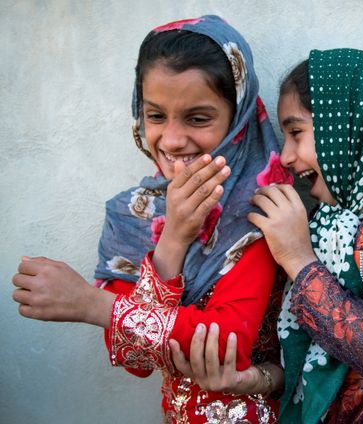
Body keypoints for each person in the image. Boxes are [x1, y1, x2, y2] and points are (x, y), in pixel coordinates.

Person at [11, 15, 292, 423]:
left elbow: (225, 345)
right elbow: (135, 360)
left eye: (198, 118)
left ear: (239, 119)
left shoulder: (263, 209)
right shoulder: (131, 216)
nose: (173, 140)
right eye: (156, 116)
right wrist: (174, 237)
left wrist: (94, 305)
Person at [176, 48, 363, 423]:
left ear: (346, 123)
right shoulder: (338, 217)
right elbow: (325, 360)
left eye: (296, 133)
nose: (287, 157)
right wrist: (252, 380)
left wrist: (298, 258)